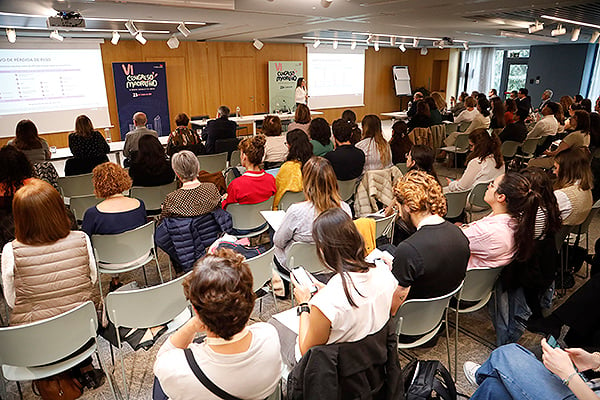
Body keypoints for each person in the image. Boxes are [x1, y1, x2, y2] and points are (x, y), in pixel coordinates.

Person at [154, 249, 282, 400]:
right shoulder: (269, 335)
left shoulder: (176, 368)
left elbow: (161, 362)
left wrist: (191, 326)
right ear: (251, 303)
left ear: (196, 311)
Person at [292, 207, 398, 357]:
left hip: (335, 371)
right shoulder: (385, 273)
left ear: (323, 249)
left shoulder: (327, 301)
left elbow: (306, 351)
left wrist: (303, 305)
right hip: (375, 361)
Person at [2, 179, 97, 326]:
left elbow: (12, 300)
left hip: (35, 336)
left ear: (19, 216)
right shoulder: (82, 238)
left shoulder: (11, 250)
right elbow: (92, 278)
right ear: (58, 208)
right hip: (82, 327)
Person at [390, 171, 469, 307]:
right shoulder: (459, 234)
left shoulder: (408, 249)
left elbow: (398, 299)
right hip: (438, 312)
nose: (400, 215)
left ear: (408, 207)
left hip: (410, 318)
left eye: (398, 208)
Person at [273, 156, 352, 272]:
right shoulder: (345, 209)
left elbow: (279, 242)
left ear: (306, 181)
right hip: (330, 265)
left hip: (298, 268)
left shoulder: (296, 211)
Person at [464, 340, 600, 400]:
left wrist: (569, 375)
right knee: (493, 388)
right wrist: (595, 361)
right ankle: (487, 375)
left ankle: (480, 375)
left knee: (507, 353)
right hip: (586, 390)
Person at [461, 172, 539, 270]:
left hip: (460, 277)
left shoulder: (487, 231)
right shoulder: (515, 221)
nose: (488, 186)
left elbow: (450, 242)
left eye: (492, 185)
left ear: (501, 197)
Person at [161, 150, 221, 218]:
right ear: (198, 168)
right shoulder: (211, 188)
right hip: (210, 228)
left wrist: (165, 209)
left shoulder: (172, 199)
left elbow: (162, 224)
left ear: (177, 173)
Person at [221, 135, 276, 209]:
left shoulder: (235, 185)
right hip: (263, 219)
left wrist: (224, 200)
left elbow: (229, 210)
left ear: (244, 156)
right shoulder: (271, 180)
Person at [273, 129, 313, 210]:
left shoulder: (287, 167)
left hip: (285, 210)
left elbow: (277, 197)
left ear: (290, 146)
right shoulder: (314, 165)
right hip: (309, 209)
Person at [553, 147, 593, 226]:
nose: (554, 172)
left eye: (556, 168)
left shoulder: (562, 196)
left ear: (565, 170)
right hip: (564, 234)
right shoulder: (586, 189)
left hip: (550, 234)